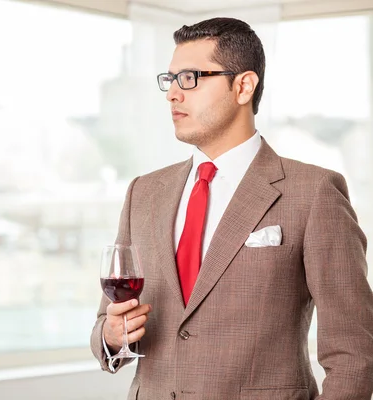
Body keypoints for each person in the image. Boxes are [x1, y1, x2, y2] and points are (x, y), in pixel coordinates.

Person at [90, 17, 373, 400]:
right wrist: (109, 336)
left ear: (243, 86)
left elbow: (355, 353)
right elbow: (106, 321)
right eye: (169, 79)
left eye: (189, 78)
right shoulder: (144, 192)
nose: (173, 94)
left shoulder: (313, 192)